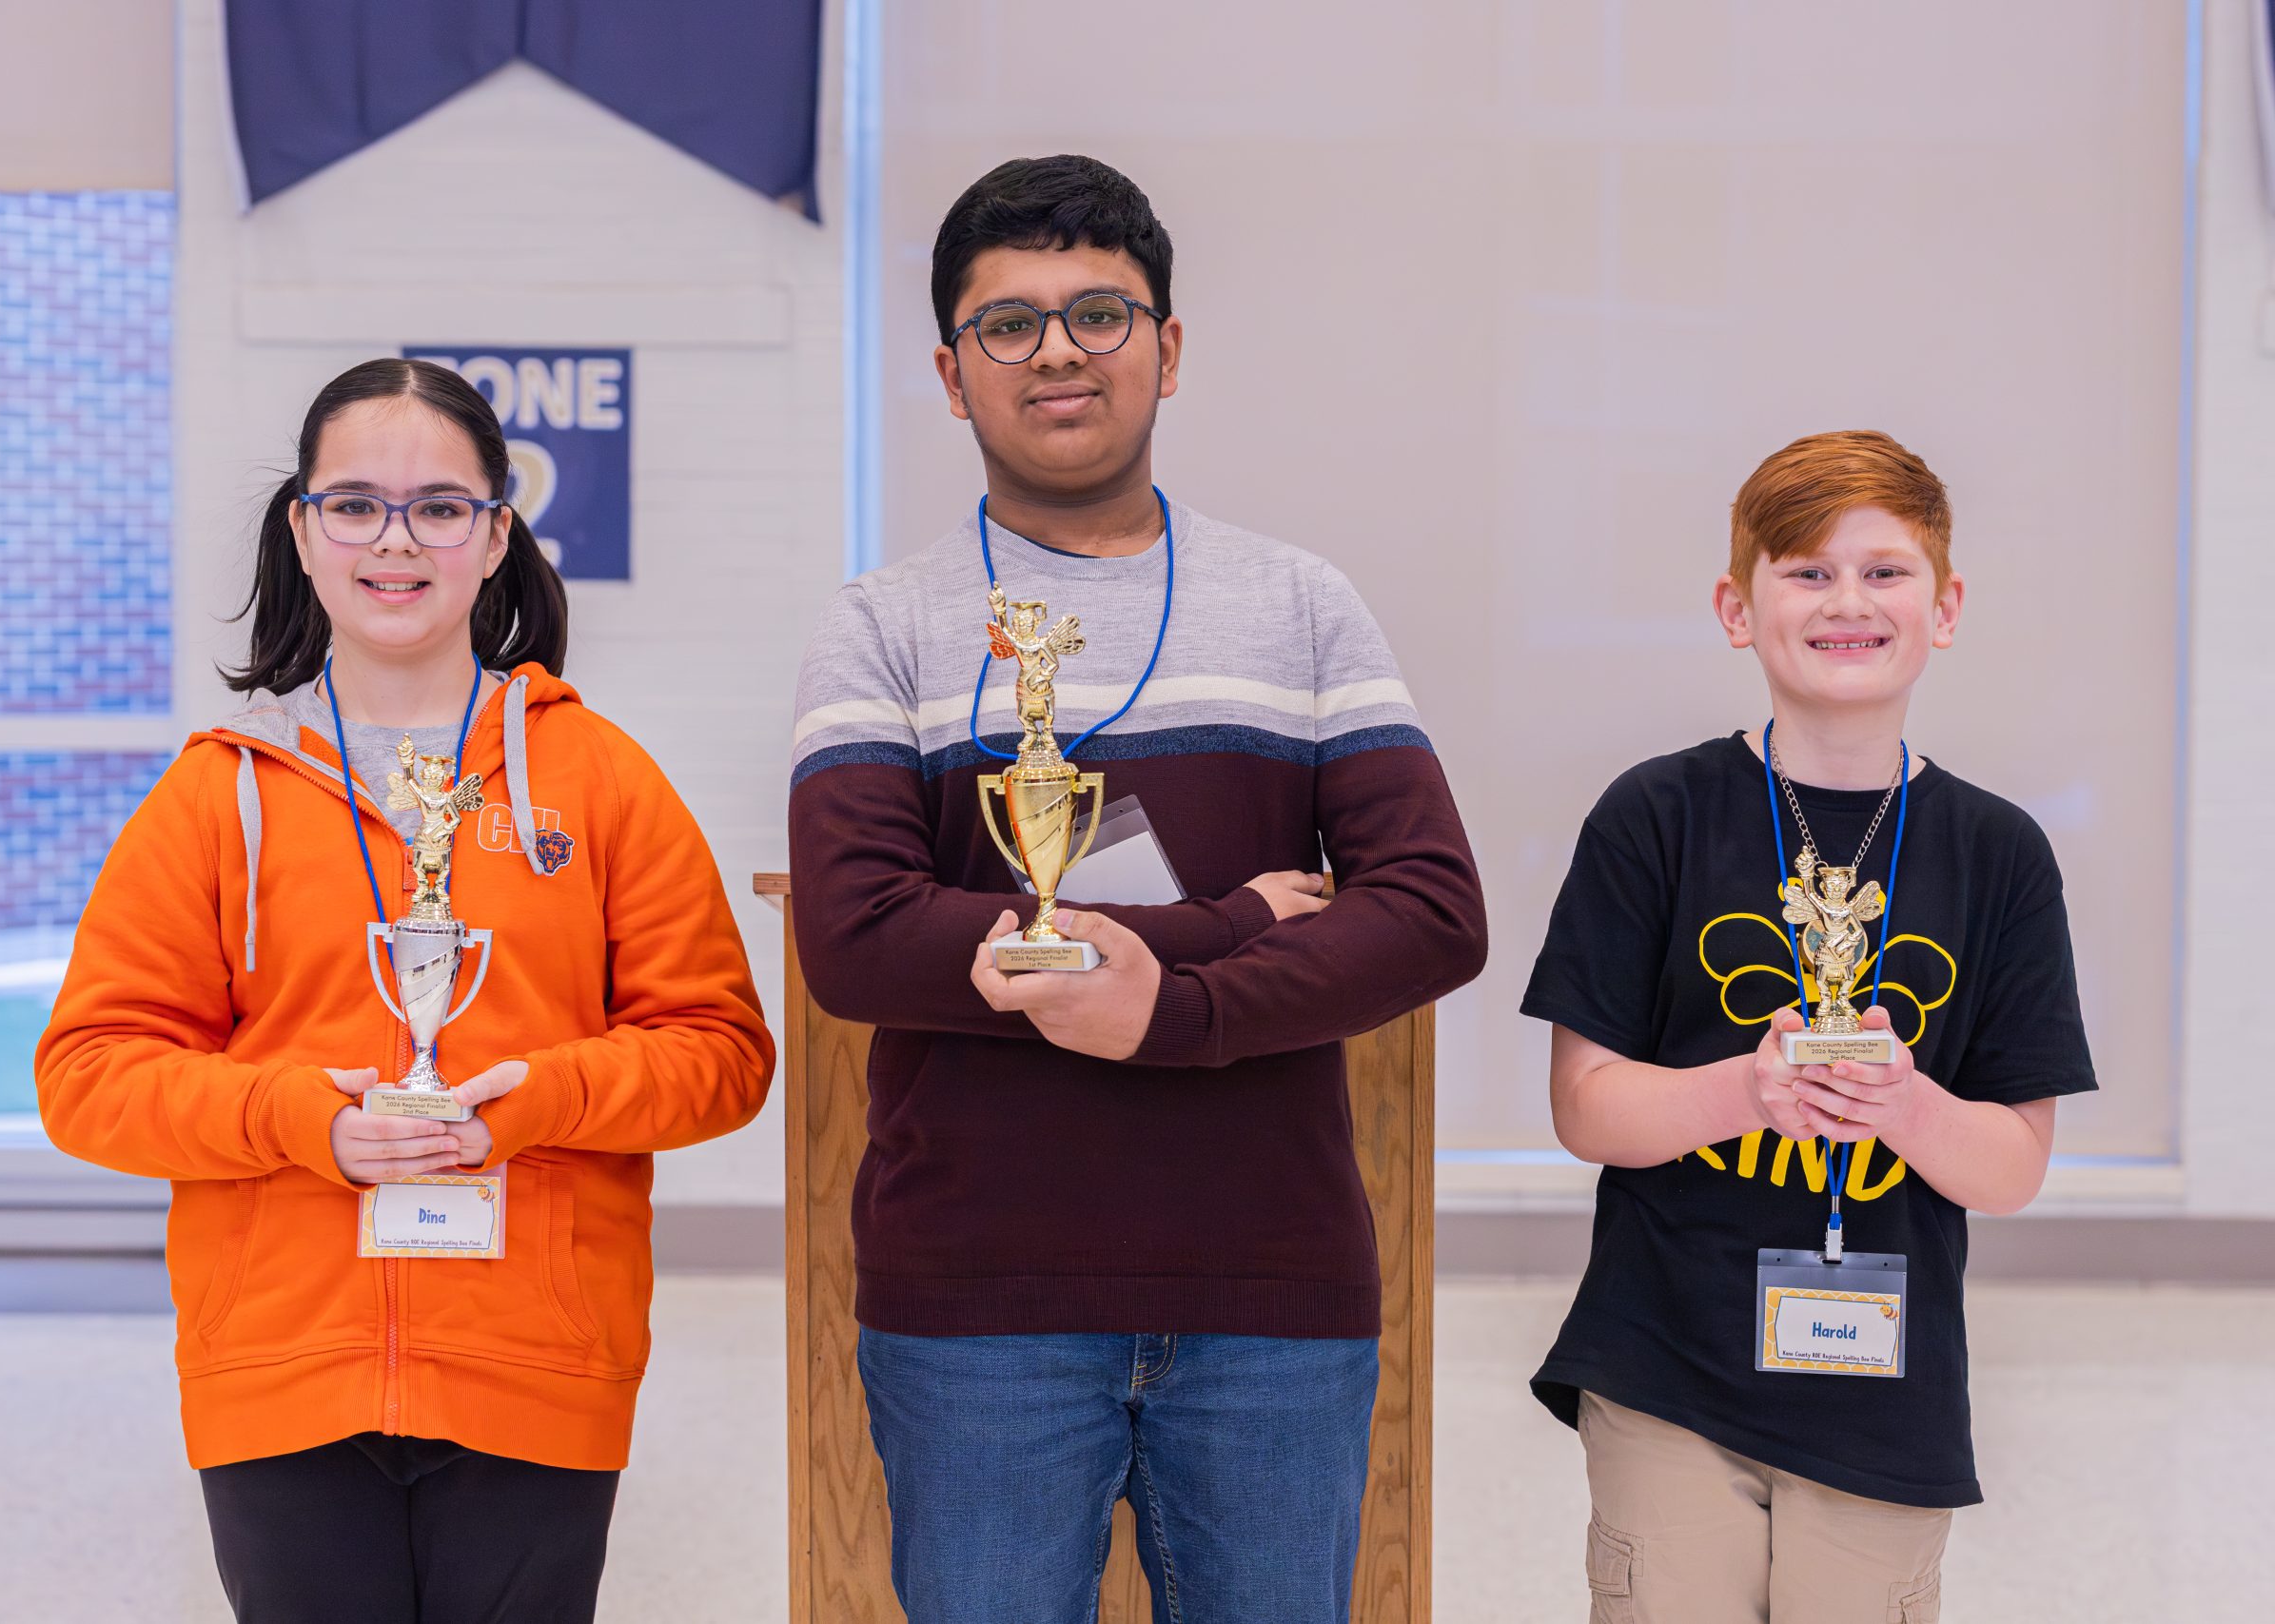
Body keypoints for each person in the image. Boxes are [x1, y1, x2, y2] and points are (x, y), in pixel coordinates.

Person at [787, 155, 1487, 1623]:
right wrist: (1223, 928)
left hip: (1270, 1296)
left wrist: (1169, 1012)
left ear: (1168, 350)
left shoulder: (1301, 605)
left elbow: (1429, 907)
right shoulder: (885, 627)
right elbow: (854, 938)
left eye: (1100, 312)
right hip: (976, 1304)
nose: (1057, 350)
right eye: (1010, 323)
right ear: (948, 370)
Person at [36, 358, 775, 1624]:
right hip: (282, 1362)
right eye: (357, 504)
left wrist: (537, 1098)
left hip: (538, 1354)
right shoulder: (221, 793)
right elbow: (89, 1074)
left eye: (439, 505)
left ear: (495, 536)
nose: (398, 538)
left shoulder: (595, 779)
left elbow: (720, 1049)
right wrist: (302, 1121)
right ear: (304, 533)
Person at [1522, 430, 2097, 1622]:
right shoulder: (1655, 816)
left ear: (1944, 608)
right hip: (1665, 1368)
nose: (1847, 601)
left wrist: (1905, 1104)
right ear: (1738, 609)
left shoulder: (1998, 854)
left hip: (1884, 1398)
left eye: (1885, 571)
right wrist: (1747, 1091)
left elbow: (2011, 1166)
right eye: (1806, 570)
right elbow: (1585, 1108)